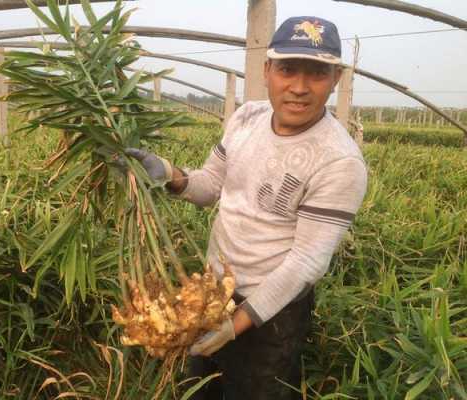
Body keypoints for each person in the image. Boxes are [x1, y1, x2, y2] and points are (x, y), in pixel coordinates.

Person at [127, 16, 368, 400]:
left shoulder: (339, 162)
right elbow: (208, 186)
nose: (300, 88)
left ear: (336, 78)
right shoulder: (246, 118)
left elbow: (306, 263)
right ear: (267, 69)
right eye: (288, 69)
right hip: (208, 298)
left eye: (318, 73)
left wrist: (237, 324)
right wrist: (168, 173)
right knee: (200, 392)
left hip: (272, 314)